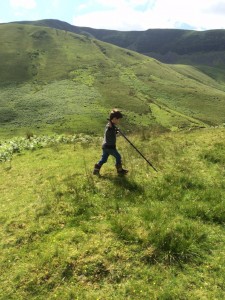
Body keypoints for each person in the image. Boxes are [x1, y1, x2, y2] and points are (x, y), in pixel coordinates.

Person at [93, 109, 128, 176]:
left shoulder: (111, 125)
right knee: (118, 157)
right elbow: (109, 129)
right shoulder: (110, 126)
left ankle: (96, 170)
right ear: (114, 119)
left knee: (103, 159)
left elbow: (111, 132)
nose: (119, 121)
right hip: (110, 147)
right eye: (118, 119)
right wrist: (112, 126)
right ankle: (120, 170)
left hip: (105, 146)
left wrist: (115, 131)